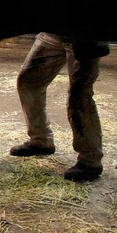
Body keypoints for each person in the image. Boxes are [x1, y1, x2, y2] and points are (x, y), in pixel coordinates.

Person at [10, 32, 108, 182]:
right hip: (52, 33)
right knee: (28, 82)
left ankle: (90, 161)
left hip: (84, 34)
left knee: (80, 94)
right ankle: (41, 140)